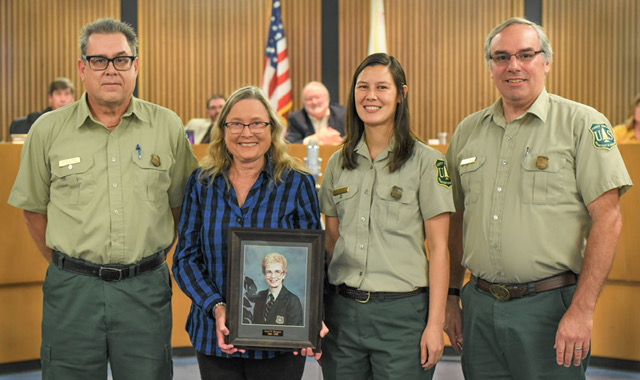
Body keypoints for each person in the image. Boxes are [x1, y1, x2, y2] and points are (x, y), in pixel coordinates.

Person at [8, 18, 198, 380]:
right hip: (73, 291)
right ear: (82, 67)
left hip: (144, 289)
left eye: (121, 59)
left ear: (136, 65)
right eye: (99, 60)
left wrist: (145, 258)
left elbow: (180, 207)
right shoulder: (47, 130)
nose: (111, 69)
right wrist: (74, 267)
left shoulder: (168, 126)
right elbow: (33, 210)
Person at [444, 17, 632, 380]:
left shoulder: (582, 124)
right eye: (501, 57)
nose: (513, 65)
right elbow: (455, 219)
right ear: (491, 68)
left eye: (525, 54)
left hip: (549, 309)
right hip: (479, 308)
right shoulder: (468, 131)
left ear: (546, 62)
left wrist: (582, 310)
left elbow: (608, 220)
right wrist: (453, 296)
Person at [173, 85, 327, 380]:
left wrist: (310, 315)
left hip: (280, 340)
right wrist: (216, 306)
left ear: (272, 129)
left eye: (257, 123)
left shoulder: (297, 184)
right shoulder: (202, 183)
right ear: (223, 129)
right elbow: (185, 259)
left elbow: (313, 262)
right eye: (236, 124)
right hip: (215, 338)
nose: (247, 133)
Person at [319, 53, 454, 379]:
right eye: (362, 87)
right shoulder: (339, 162)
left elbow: (439, 249)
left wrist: (435, 325)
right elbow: (332, 239)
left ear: (401, 94)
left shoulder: (427, 162)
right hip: (344, 315)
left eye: (382, 87)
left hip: (402, 318)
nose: (371, 96)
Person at [9, 77, 76, 135]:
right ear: (50, 97)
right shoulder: (36, 121)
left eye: (67, 94)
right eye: (58, 94)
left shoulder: (80, 120)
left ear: (73, 98)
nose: (63, 99)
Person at [251, 253, 303, 326]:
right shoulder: (261, 296)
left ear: (283, 275)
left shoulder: (292, 301)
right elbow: (254, 326)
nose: (273, 276)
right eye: (269, 272)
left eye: (277, 272)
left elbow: (294, 333)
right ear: (264, 274)